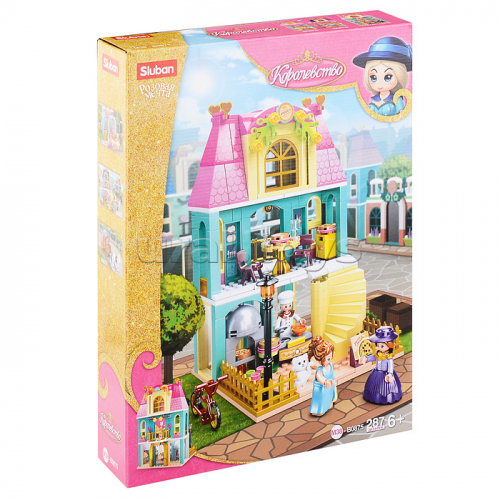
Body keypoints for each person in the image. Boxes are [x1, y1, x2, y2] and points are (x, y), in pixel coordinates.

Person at [353, 36, 412, 116]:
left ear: (399, 75)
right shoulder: (373, 99)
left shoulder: (397, 99)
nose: (380, 83)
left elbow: (402, 116)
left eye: (387, 77)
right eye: (373, 77)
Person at [360, 326, 403, 404]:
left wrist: (390, 374)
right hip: (377, 372)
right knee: (374, 386)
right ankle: (373, 396)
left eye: (382, 346)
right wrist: (366, 359)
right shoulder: (378, 354)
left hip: (386, 374)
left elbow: (390, 366)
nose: (379, 347)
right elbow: (374, 357)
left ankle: (387, 397)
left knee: (386, 389)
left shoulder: (388, 357)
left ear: (389, 345)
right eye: (378, 345)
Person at [308, 336, 336, 416]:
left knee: (329, 396)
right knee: (322, 399)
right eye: (327, 358)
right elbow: (319, 377)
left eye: (330, 357)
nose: (330, 359)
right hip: (322, 388)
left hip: (330, 386)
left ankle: (329, 404)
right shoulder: (320, 370)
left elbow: (331, 374)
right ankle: (319, 410)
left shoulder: (330, 365)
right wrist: (325, 382)